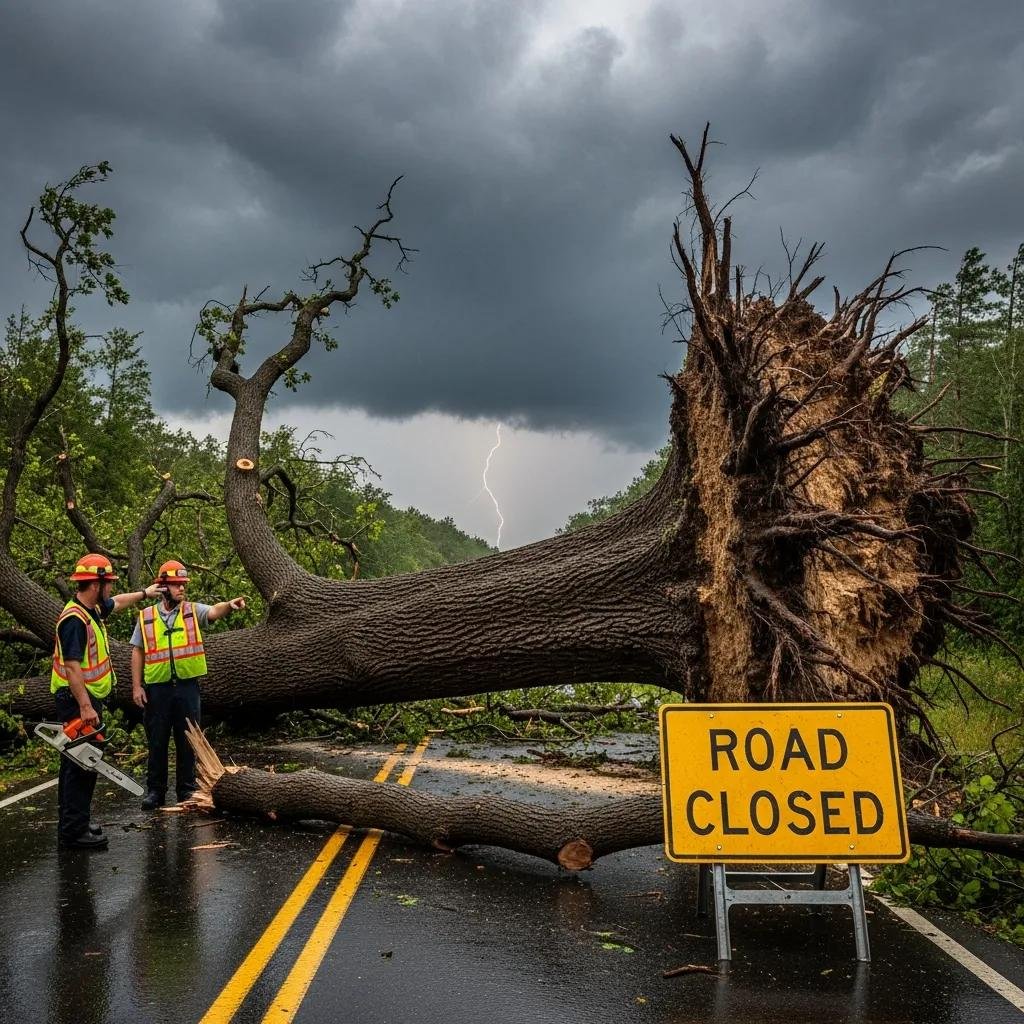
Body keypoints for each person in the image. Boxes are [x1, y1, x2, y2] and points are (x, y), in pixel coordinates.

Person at [52, 553, 163, 851]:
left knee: (77, 763)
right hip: (77, 701)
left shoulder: (90, 610)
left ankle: (73, 821)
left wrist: (145, 594)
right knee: (82, 765)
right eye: (108, 583)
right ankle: (74, 832)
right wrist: (86, 707)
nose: (111, 588)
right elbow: (73, 667)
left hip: (84, 699)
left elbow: (119, 602)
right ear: (95, 584)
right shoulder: (75, 620)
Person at [131, 560, 246, 809]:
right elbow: (137, 651)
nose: (182, 589)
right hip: (157, 689)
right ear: (163, 588)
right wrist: (137, 686)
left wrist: (229, 605)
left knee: (189, 741)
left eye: (184, 584)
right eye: (177, 584)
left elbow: (214, 611)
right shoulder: (147, 616)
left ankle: (187, 790)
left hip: (186, 687)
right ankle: (156, 792)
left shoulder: (192, 610)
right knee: (157, 741)